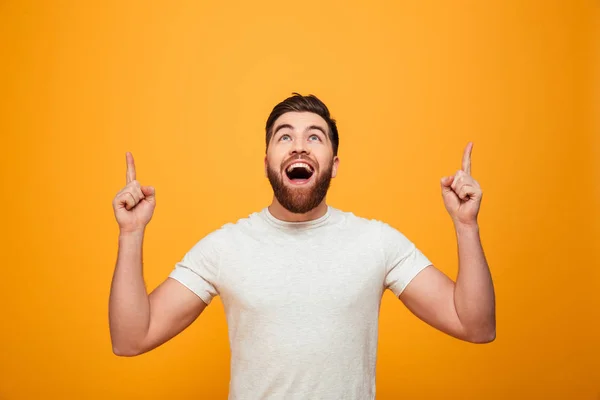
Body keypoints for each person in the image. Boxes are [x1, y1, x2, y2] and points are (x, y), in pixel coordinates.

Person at [109, 93, 496, 399]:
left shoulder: (376, 242)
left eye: (315, 136)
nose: (299, 146)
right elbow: (131, 338)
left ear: (334, 163)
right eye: (284, 136)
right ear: (267, 162)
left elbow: (474, 325)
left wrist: (465, 225)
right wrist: (131, 234)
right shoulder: (225, 247)